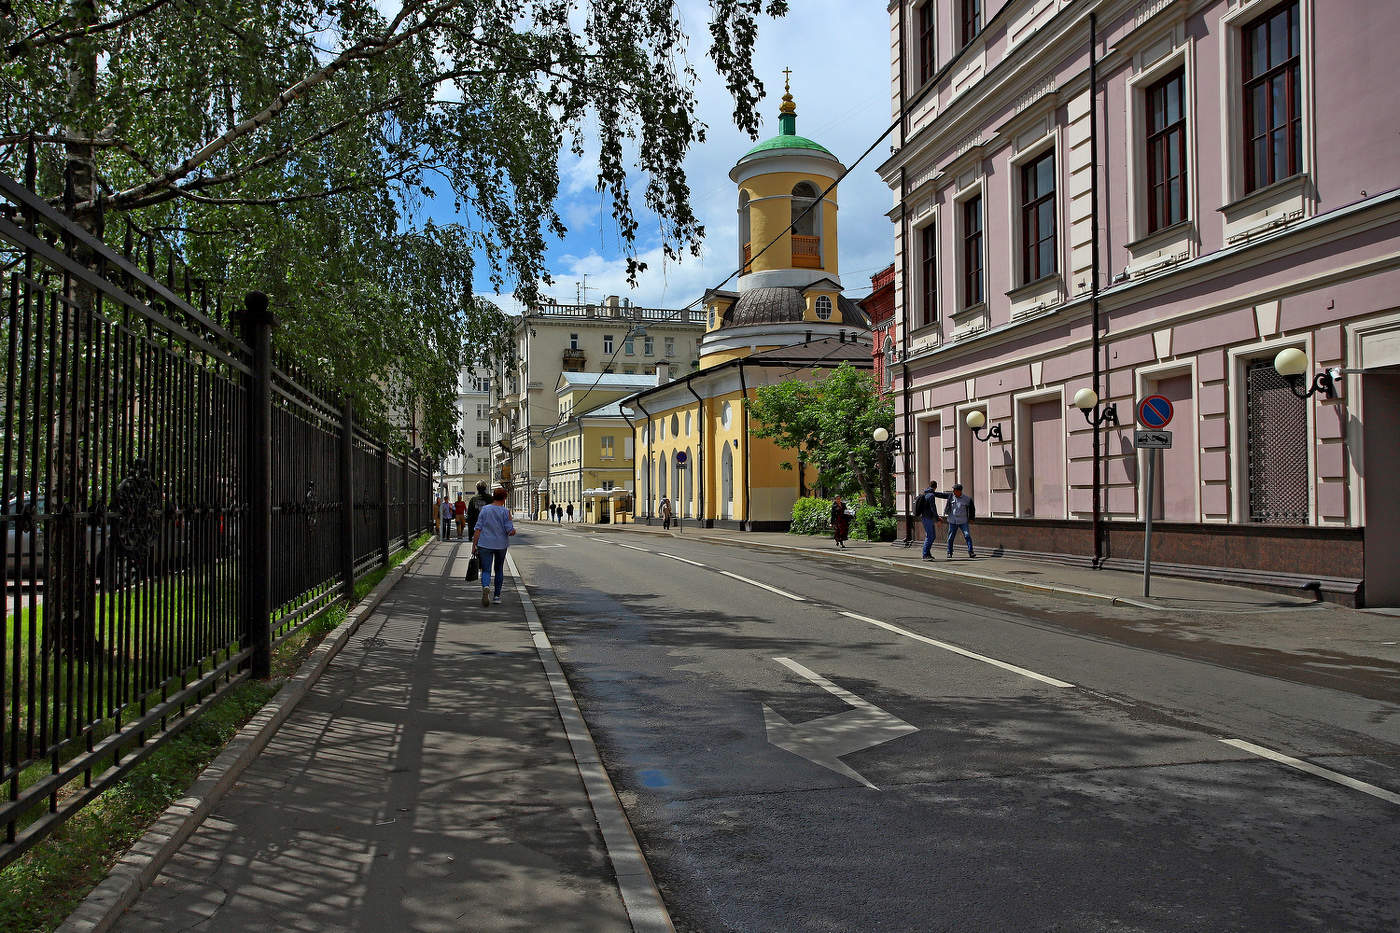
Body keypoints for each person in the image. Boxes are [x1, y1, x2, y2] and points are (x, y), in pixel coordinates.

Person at [472, 486, 516, 605]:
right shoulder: (505, 512)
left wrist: (474, 545)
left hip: (485, 544)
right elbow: (509, 531)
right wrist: (513, 530)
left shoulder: (485, 510)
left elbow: (478, 529)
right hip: (501, 545)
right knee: (499, 569)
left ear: (493, 497)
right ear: (504, 498)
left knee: (486, 569)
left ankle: (486, 586)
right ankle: (497, 596)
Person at [913, 479, 951, 560]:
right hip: (928, 518)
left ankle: (928, 553)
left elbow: (940, 495)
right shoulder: (931, 495)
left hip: (926, 518)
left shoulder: (926, 493)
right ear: (935, 487)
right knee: (930, 536)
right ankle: (925, 554)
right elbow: (933, 508)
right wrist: (937, 519)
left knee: (932, 536)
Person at [944, 483, 976, 559]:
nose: (953, 491)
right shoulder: (951, 497)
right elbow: (942, 495)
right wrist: (933, 493)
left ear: (959, 491)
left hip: (963, 521)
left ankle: (971, 552)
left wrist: (971, 518)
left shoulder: (967, 499)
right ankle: (949, 552)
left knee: (967, 535)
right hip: (952, 521)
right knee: (950, 537)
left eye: (954, 490)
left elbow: (972, 509)